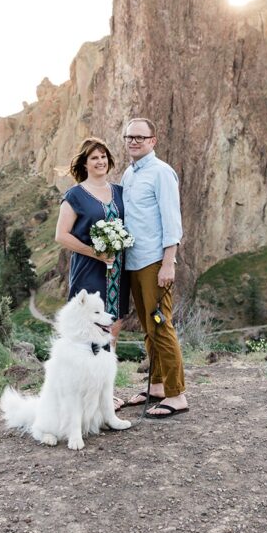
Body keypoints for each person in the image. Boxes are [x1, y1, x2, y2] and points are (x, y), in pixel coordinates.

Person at [119, 118, 188, 418]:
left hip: (154, 261)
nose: (134, 141)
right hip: (132, 261)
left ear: (153, 140)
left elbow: (172, 220)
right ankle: (157, 386)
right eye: (129, 137)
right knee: (149, 328)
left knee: (161, 325)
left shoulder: (162, 173)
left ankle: (177, 395)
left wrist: (168, 263)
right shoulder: (128, 174)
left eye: (140, 137)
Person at [54, 137, 130, 350]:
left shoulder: (120, 192)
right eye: (94, 157)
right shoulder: (75, 195)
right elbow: (61, 235)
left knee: (114, 320)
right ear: (84, 163)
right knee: (87, 322)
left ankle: (106, 374)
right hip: (88, 269)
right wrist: (94, 252)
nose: (100, 161)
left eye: (103, 156)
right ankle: (80, 375)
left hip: (118, 269)